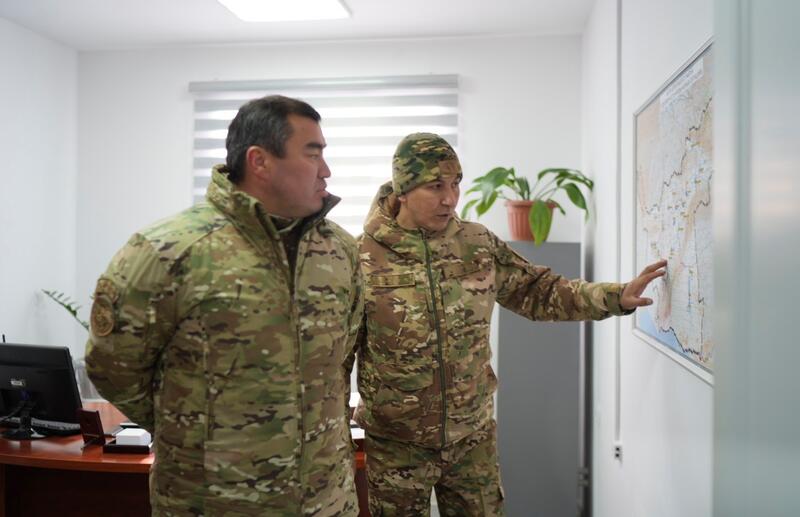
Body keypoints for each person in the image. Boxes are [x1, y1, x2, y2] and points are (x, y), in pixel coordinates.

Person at [347, 132, 667, 516]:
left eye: (455, 184)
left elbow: (539, 291)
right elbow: (338, 356)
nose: (450, 198)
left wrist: (615, 296)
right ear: (402, 189)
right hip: (396, 445)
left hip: (471, 438)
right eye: (435, 186)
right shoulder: (361, 256)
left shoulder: (477, 244)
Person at [86, 95, 364, 516]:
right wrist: (197, 434)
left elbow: (340, 360)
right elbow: (113, 367)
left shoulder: (340, 250)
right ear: (260, 161)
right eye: (313, 154)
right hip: (213, 501)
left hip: (327, 501)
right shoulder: (169, 250)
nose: (326, 170)